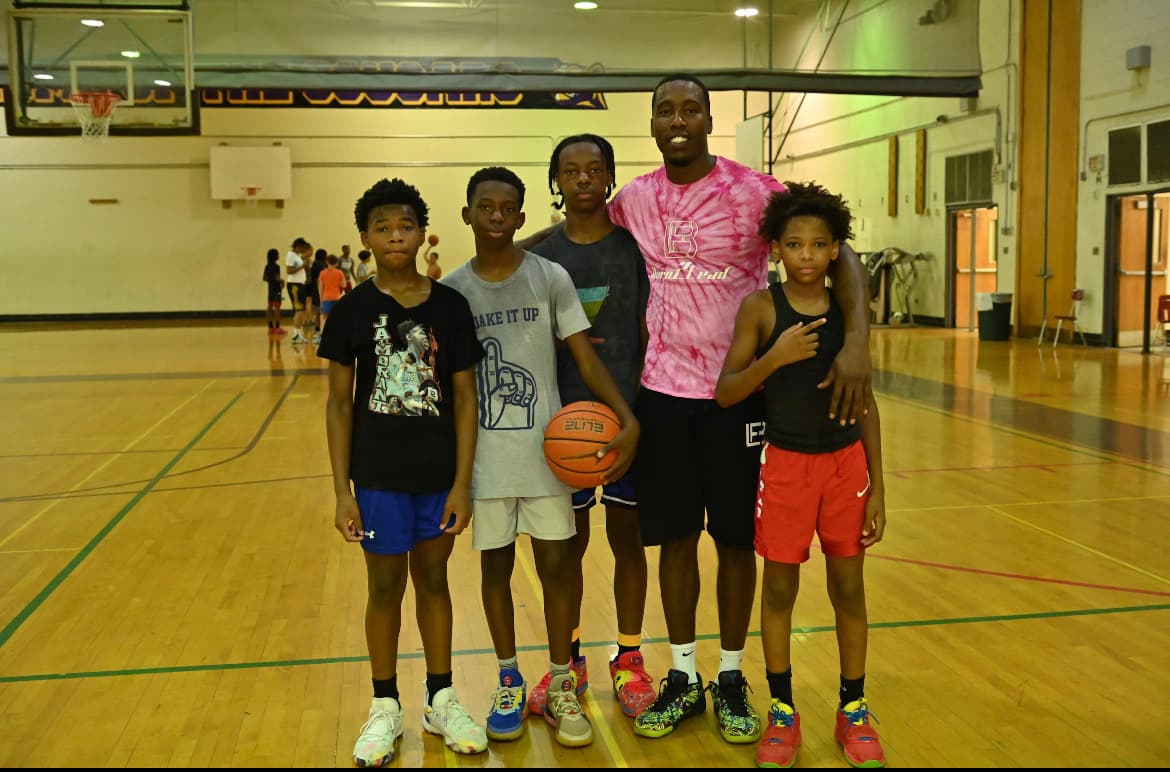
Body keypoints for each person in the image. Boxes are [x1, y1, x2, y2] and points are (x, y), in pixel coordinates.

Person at [518, 73, 873, 744]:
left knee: (736, 544)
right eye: (665, 110)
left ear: (710, 118)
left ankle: (732, 674)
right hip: (662, 395)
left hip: (741, 398)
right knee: (675, 542)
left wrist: (857, 340)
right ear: (652, 123)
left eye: (690, 108)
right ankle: (682, 674)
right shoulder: (635, 199)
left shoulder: (754, 190)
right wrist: (492, 259)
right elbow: (569, 227)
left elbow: (838, 246)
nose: (677, 119)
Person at [441, 166, 640, 750]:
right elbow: (451, 387)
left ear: (523, 218)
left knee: (559, 569)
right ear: (468, 214)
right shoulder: (454, 292)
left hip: (549, 457)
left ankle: (559, 683)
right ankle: (508, 679)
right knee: (494, 571)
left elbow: (585, 357)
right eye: (486, 207)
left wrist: (625, 415)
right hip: (486, 462)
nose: (498, 216)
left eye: (508, 208)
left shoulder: (549, 277)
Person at [714, 182, 886, 769]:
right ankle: (783, 712)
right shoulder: (761, 310)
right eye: (795, 244)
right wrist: (774, 358)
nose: (807, 256)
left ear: (836, 249)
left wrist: (879, 488)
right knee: (780, 590)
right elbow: (726, 392)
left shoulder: (848, 312)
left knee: (849, 590)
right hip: (785, 466)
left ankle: (854, 708)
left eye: (819, 245)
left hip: (846, 466)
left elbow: (868, 404)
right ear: (776, 250)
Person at [317, 177, 489, 767]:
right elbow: (340, 403)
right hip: (378, 478)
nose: (395, 236)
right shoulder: (352, 311)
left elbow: (465, 398)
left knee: (435, 582)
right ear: (365, 237)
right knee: (384, 587)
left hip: (438, 476)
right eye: (383, 227)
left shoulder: (450, 307)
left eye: (406, 226)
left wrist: (463, 483)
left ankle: (440, 697)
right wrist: (343, 491)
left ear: (422, 232)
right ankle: (385, 704)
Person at [524, 133, 657, 722]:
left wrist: (640, 412)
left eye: (594, 168)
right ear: (556, 180)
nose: (583, 178)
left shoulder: (635, 249)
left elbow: (653, 328)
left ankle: (628, 657)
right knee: (566, 550)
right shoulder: (537, 255)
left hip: (630, 418)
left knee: (628, 542)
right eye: (570, 170)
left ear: (609, 178)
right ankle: (568, 660)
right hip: (563, 427)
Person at [285, 237, 311, 343]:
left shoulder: (296, 256)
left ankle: (298, 333)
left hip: (300, 284)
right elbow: (289, 270)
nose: (303, 250)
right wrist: (302, 266)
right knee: (299, 310)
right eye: (302, 247)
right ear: (298, 246)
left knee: (301, 310)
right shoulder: (290, 255)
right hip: (294, 285)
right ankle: (295, 335)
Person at [317, 253, 347, 336]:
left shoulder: (322, 273)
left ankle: (322, 333)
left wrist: (321, 299)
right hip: (337, 297)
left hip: (326, 297)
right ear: (336, 263)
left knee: (324, 317)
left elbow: (320, 287)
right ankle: (336, 334)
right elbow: (344, 285)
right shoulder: (339, 272)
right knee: (336, 317)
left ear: (327, 262)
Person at [262, 247, 286, 336]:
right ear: (275, 256)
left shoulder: (267, 266)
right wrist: (282, 281)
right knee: (277, 308)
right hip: (276, 289)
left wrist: (270, 280)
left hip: (270, 289)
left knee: (269, 306)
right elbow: (277, 278)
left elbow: (264, 278)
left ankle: (270, 327)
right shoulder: (277, 267)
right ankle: (277, 327)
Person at [307, 248, 329, 344]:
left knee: (317, 312)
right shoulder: (320, 265)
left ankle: (317, 331)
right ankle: (319, 333)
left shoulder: (314, 264)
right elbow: (318, 279)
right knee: (321, 312)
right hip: (319, 290)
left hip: (315, 290)